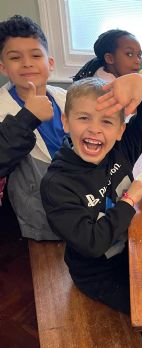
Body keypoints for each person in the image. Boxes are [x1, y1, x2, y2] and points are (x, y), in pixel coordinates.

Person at [40, 75, 142, 314]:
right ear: (66, 122)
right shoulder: (57, 185)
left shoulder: (121, 149)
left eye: (107, 121)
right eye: (84, 118)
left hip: (132, 247)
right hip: (98, 274)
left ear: (120, 130)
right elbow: (92, 244)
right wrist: (129, 199)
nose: (95, 129)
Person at [0, 15, 66, 240]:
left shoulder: (64, 98)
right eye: (15, 57)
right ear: (3, 67)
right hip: (39, 216)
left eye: (36, 55)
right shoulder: (2, 108)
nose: (27, 63)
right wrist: (27, 118)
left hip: (77, 197)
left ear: (50, 63)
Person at [72, 29, 142, 82]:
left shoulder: (106, 72)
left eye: (139, 55)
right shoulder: (107, 87)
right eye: (129, 54)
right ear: (110, 58)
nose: (138, 61)